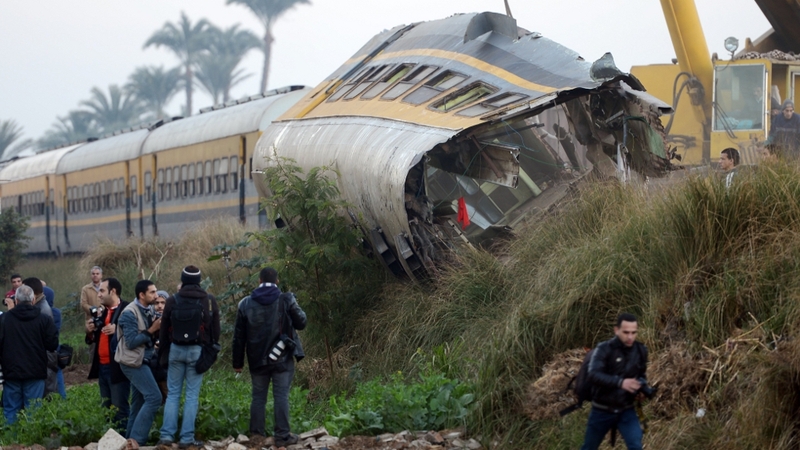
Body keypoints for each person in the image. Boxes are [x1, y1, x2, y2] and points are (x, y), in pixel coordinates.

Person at [232, 267, 307, 447]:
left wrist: (238, 363)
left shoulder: (245, 303)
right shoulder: (286, 299)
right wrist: (292, 303)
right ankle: (282, 436)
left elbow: (239, 337)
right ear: (277, 281)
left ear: (259, 281)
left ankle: (256, 436)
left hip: (257, 360)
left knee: (258, 396)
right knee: (281, 395)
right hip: (282, 358)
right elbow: (302, 322)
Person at [157, 266, 220, 448]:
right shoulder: (207, 300)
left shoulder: (172, 300)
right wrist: (210, 348)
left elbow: (163, 330)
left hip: (176, 349)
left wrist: (163, 353)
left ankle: (167, 436)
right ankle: (186, 439)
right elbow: (215, 329)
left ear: (183, 279)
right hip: (197, 351)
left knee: (173, 394)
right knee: (192, 395)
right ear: (199, 280)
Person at [580, 313, 649, 450]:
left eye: (633, 333)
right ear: (616, 330)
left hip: (626, 410)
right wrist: (621, 383)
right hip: (602, 409)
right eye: (626, 332)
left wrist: (641, 390)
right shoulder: (604, 349)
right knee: (589, 447)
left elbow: (641, 375)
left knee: (636, 445)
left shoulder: (640, 350)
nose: (630, 337)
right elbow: (593, 374)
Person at [0, 285, 59, 424]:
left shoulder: (4, 320)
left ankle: (10, 442)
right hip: (35, 371)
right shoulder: (43, 319)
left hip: (11, 371)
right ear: (33, 300)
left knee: (11, 409)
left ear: (16, 300)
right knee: (33, 409)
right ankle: (31, 441)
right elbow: (52, 345)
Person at [117, 279, 162, 448]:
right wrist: (152, 330)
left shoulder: (147, 309)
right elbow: (131, 342)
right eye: (152, 292)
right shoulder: (129, 313)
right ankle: (138, 440)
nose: (156, 295)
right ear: (141, 295)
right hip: (132, 362)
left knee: (139, 401)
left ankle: (129, 440)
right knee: (154, 397)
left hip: (142, 360)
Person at [86, 277, 130, 434]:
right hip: (103, 367)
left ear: (113, 291)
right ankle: (110, 440)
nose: (98, 295)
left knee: (120, 408)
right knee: (107, 409)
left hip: (118, 367)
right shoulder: (102, 312)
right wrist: (90, 331)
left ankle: (124, 440)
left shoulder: (128, 309)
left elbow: (139, 331)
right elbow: (95, 339)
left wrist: (118, 328)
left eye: (102, 291)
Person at [43, 285, 67, 399]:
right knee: (57, 372)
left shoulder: (47, 313)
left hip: (49, 349)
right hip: (55, 346)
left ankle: (58, 397)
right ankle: (62, 397)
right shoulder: (56, 312)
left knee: (54, 373)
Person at [153, 290, 169, 403]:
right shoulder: (148, 319)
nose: (159, 306)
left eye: (163, 303)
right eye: (157, 303)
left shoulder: (172, 318)